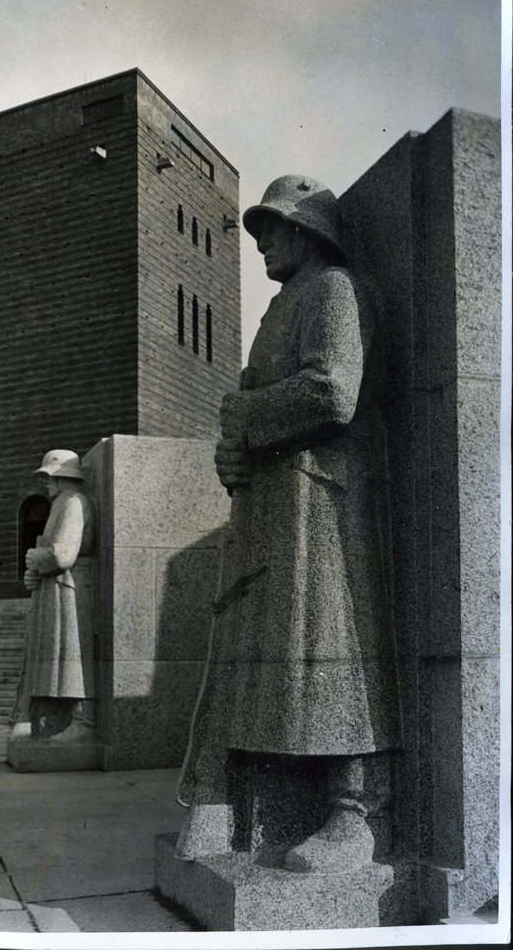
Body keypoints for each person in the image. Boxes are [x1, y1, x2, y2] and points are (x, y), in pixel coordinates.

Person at [175, 176, 400, 873]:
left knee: (327, 648)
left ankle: (354, 812)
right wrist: (231, 453)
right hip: (269, 507)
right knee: (259, 659)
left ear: (306, 231)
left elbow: (334, 391)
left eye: (273, 226)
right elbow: (251, 411)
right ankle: (236, 799)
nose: (262, 240)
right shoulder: (280, 308)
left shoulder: (333, 288)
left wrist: (244, 418)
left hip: (319, 505)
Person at [9, 449, 96, 745]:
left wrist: (36, 557)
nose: (46, 484)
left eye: (49, 477)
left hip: (67, 590)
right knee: (56, 658)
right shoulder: (62, 503)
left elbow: (62, 554)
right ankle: (48, 720)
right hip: (55, 590)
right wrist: (33, 570)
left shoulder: (73, 502)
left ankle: (82, 720)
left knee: (70, 655)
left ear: (62, 477)